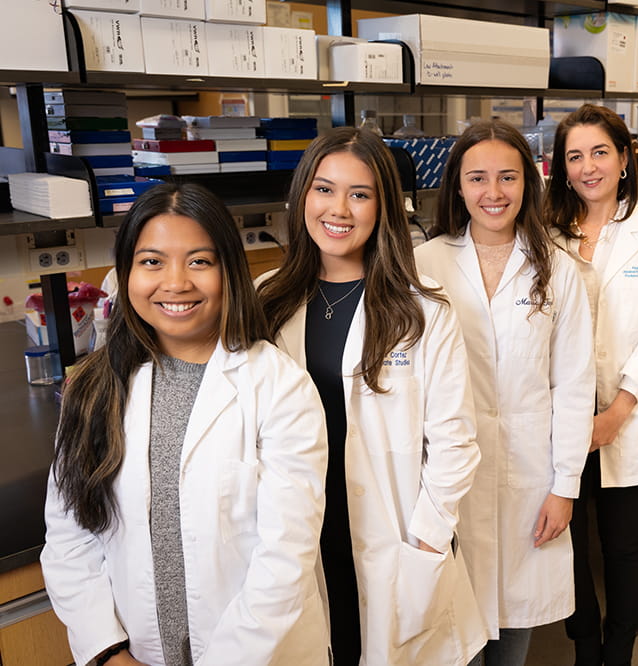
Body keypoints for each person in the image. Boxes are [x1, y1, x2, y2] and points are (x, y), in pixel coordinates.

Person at [41, 183, 329, 666]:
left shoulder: (280, 387)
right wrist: (107, 653)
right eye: (152, 261)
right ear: (125, 273)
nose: (175, 283)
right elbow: (70, 537)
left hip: (257, 654)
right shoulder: (94, 387)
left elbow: (285, 557)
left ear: (228, 272)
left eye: (199, 261)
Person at [256, 127, 488, 665]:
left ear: (384, 206)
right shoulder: (266, 299)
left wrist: (427, 541)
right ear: (301, 198)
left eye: (359, 194)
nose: (339, 208)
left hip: (396, 535)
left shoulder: (424, 310)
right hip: (302, 530)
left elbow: (455, 443)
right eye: (324, 189)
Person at [415, 119, 596, 665]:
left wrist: (565, 487)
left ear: (529, 183)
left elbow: (574, 384)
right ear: (457, 186)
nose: (493, 193)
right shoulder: (426, 264)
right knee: (451, 616)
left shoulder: (558, 270)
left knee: (516, 610)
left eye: (507, 178)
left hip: (530, 469)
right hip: (446, 472)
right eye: (477, 178)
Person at [545, 103, 638, 666]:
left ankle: (620, 648)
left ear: (624, 159)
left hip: (626, 414)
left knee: (625, 546)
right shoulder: (546, 235)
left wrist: (618, 410)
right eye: (574, 156)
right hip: (561, 417)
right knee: (570, 544)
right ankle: (585, 644)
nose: (588, 167)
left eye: (600, 152)